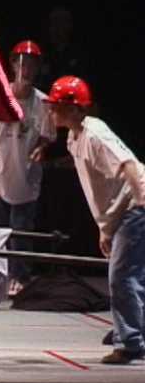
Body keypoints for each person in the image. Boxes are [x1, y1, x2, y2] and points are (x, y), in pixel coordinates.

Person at [46, 75, 145, 364]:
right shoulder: (74, 137)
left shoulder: (95, 134)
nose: (51, 111)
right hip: (123, 212)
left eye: (56, 106)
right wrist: (106, 230)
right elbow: (99, 187)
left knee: (122, 276)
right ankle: (130, 327)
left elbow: (129, 165)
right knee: (133, 275)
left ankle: (130, 342)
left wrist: (141, 201)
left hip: (135, 207)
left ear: (73, 108)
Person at [0, 40, 56, 295]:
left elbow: (47, 135)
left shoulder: (43, 103)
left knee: (21, 230)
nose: (25, 70)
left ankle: (21, 276)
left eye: (31, 65)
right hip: (0, 171)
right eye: (21, 64)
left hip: (26, 174)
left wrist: (41, 148)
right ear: (12, 65)